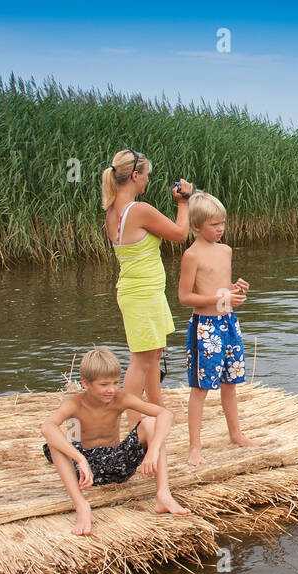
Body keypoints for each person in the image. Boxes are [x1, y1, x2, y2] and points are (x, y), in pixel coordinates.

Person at [41, 347, 190, 535]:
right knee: (56, 438)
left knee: (151, 423)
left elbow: (165, 414)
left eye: (115, 382)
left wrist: (153, 450)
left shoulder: (120, 398)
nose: (111, 389)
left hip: (115, 463)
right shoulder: (74, 403)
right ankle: (82, 506)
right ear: (86, 383)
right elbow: (47, 427)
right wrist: (80, 459)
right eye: (104, 385)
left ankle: (163, 494)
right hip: (83, 472)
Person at [101, 149, 193, 426]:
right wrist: (183, 202)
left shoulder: (112, 211)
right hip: (141, 294)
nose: (148, 182)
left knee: (154, 352)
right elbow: (179, 235)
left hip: (140, 291)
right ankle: (134, 426)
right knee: (140, 360)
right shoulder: (138, 210)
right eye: (147, 176)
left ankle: (156, 408)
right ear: (135, 175)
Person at [178, 190, 265, 467]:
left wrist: (234, 290)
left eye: (222, 223)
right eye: (214, 225)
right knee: (200, 388)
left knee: (231, 381)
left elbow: (222, 289)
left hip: (228, 323)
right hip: (205, 327)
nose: (220, 229)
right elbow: (184, 298)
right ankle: (195, 446)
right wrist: (217, 298)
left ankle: (236, 434)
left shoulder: (225, 251)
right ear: (196, 226)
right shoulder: (192, 255)